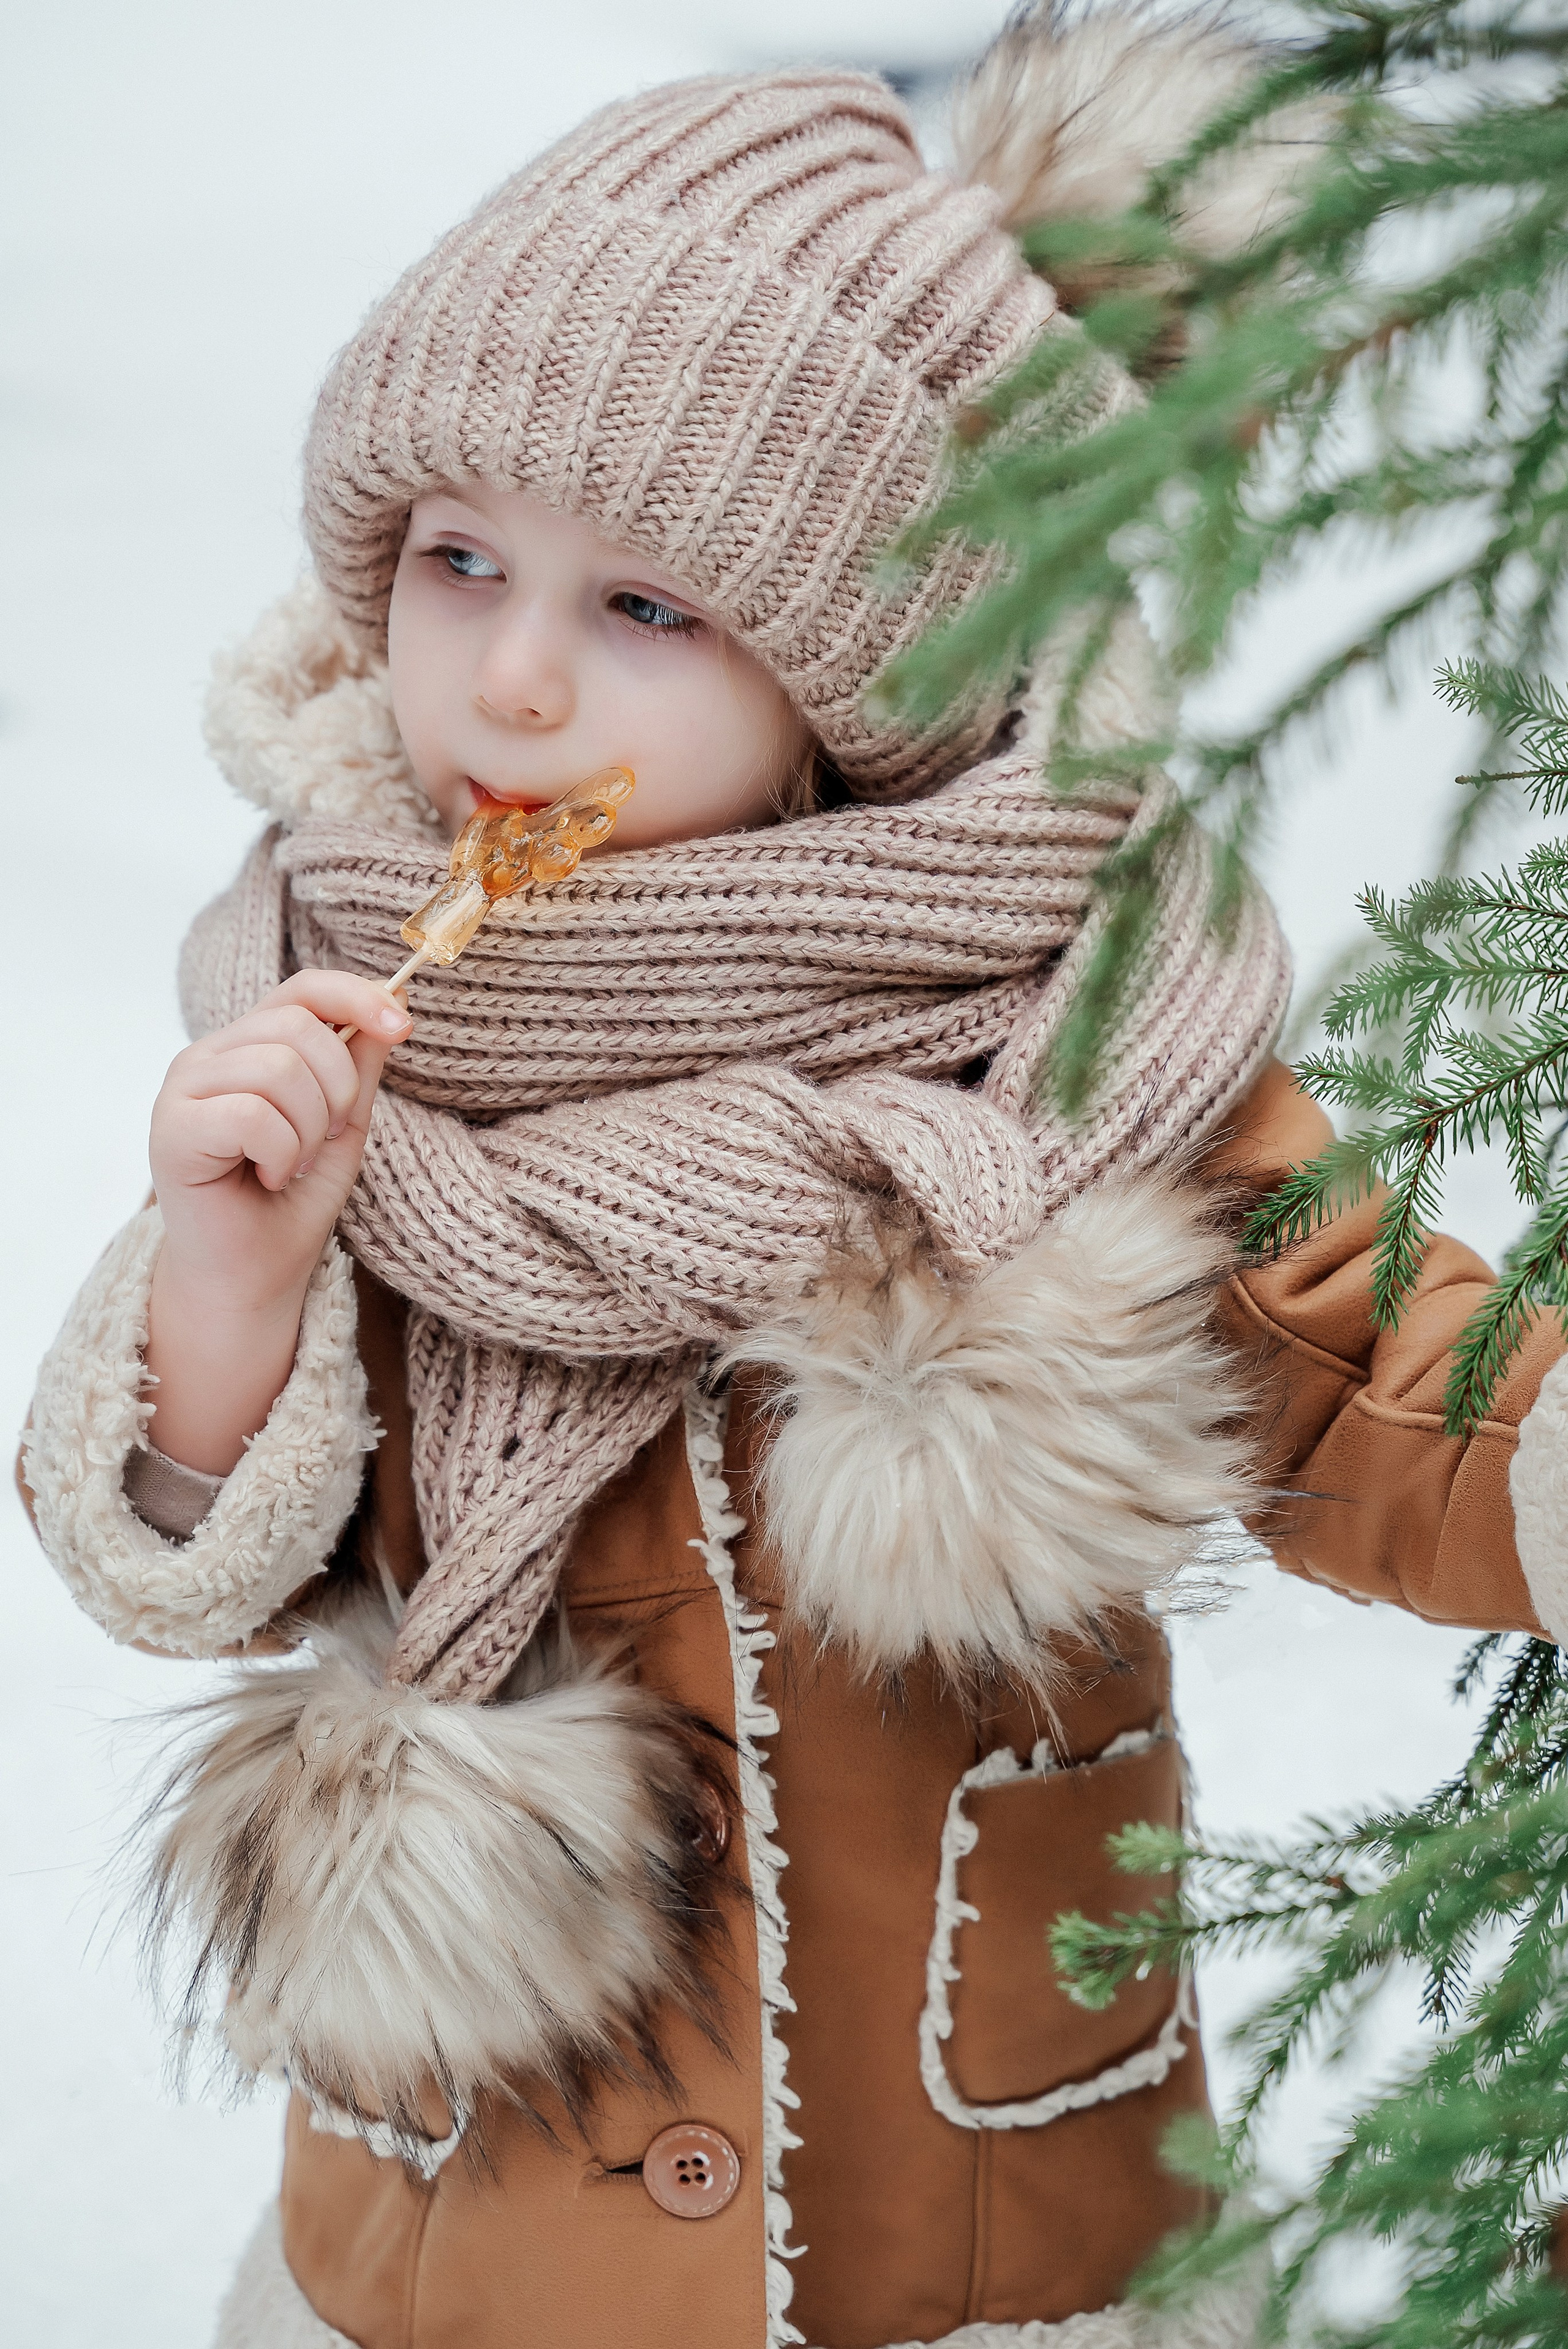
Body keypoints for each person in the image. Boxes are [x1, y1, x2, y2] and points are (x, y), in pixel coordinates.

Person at [20, 10, 1568, 2348]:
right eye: (459, 559)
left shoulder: (1067, 1041)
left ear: (872, 681)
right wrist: (239, 1272)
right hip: (478, 2246)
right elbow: (191, 1555)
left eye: (646, 605)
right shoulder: (364, 1017)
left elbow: (1359, 1367)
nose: (515, 680)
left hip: (974, 2227)